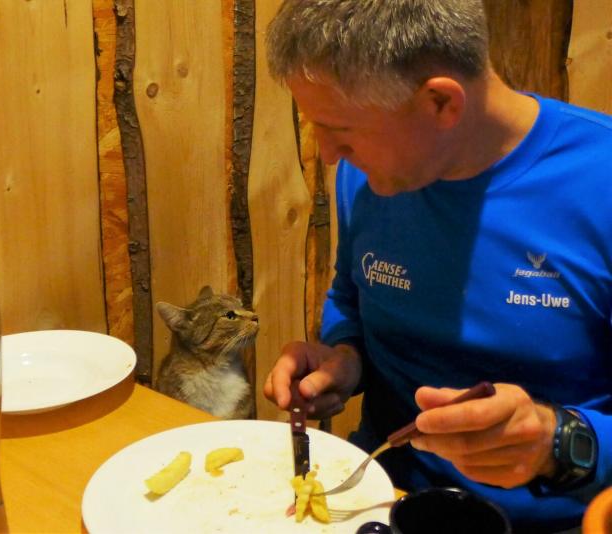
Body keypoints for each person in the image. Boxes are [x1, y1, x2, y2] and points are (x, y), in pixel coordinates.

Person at [262, 1, 611, 532]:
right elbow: (351, 296)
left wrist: (557, 441)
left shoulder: (598, 182)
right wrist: (345, 357)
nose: (327, 154)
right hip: (379, 497)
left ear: (441, 102)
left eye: (340, 130)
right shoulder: (372, 172)